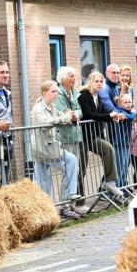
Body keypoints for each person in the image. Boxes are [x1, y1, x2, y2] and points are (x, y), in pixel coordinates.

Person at [30, 80, 80, 218]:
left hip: (51, 148)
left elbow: (60, 118)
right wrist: (65, 117)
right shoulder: (39, 108)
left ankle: (66, 198)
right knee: (43, 182)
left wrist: (72, 118)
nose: (56, 94)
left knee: (70, 161)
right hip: (42, 149)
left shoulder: (52, 107)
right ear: (45, 92)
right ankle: (45, 210)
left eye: (57, 91)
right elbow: (45, 122)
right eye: (53, 91)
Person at [77, 71, 123, 197]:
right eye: (96, 81)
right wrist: (108, 115)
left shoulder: (99, 97)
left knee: (108, 149)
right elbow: (88, 115)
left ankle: (109, 181)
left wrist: (113, 117)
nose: (99, 83)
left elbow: (102, 114)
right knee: (81, 168)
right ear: (90, 82)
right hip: (81, 137)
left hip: (92, 136)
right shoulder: (83, 96)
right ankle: (78, 201)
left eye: (101, 81)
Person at [54, 66, 85, 199]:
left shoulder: (74, 93)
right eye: (71, 76)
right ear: (63, 79)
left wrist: (74, 115)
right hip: (65, 136)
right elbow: (62, 112)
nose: (75, 79)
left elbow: (80, 111)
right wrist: (70, 115)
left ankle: (69, 202)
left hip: (75, 135)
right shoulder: (59, 94)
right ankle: (64, 202)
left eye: (74, 76)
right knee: (69, 170)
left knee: (74, 170)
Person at [112, 94, 137, 188]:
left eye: (130, 102)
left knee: (125, 168)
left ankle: (122, 189)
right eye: (125, 102)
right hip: (119, 144)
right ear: (120, 103)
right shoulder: (119, 111)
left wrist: (134, 111)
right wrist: (133, 113)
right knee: (119, 169)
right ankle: (116, 191)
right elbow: (130, 117)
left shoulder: (130, 111)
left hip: (127, 144)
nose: (128, 104)